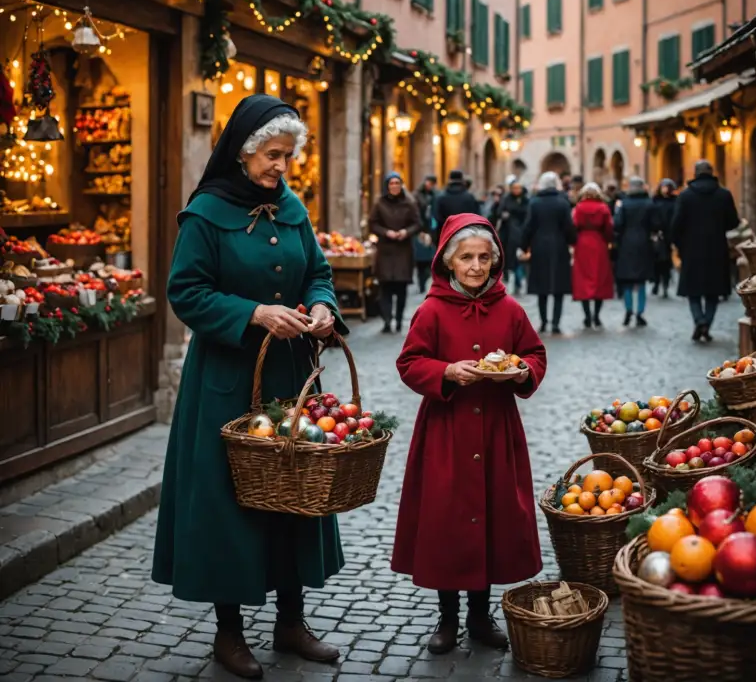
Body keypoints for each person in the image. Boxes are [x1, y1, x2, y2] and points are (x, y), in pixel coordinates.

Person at [152, 95, 345, 678]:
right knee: (229, 505)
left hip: (290, 379)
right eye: (272, 155)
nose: (280, 166)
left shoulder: (292, 207)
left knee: (293, 495)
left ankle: (291, 623)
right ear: (243, 152)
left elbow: (318, 270)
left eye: (288, 156)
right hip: (226, 383)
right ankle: (229, 633)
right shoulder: (206, 214)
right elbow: (185, 291)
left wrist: (322, 304)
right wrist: (254, 313)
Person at [392, 213, 547, 655]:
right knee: (447, 521)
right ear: (448, 262)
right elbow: (409, 362)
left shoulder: (511, 309)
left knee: (491, 516)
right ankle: (447, 617)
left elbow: (534, 354)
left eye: (483, 258)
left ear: (495, 261)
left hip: (497, 432)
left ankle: (481, 615)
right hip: (447, 433)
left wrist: (520, 372)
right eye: (466, 258)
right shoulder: (432, 310)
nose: (476, 266)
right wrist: (445, 371)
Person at [671, 159, 739, 342]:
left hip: (691, 249)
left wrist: (679, 245)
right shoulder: (724, 195)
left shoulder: (685, 196)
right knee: (713, 292)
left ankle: (699, 321)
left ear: (695, 173)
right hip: (716, 248)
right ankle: (706, 323)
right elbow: (734, 222)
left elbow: (676, 225)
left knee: (693, 291)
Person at [522, 171, 576, 334]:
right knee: (558, 287)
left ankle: (544, 321)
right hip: (559, 245)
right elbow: (568, 226)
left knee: (541, 287)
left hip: (539, 246)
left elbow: (529, 226)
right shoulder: (563, 203)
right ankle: (556, 323)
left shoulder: (535, 202)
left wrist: (524, 245)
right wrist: (572, 241)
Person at [369, 172, 422, 333]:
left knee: (401, 289)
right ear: (387, 186)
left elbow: (417, 223)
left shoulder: (409, 203)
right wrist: (386, 232)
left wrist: (406, 232)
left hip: (403, 251)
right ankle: (386, 320)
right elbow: (373, 224)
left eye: (397, 183)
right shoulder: (379, 204)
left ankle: (399, 319)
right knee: (385, 288)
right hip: (385, 251)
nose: (394, 186)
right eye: (391, 184)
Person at [614, 176, 656, 327]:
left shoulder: (624, 203)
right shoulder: (649, 203)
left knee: (627, 281)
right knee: (641, 281)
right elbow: (656, 223)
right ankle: (640, 312)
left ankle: (628, 309)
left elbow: (617, 224)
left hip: (626, 244)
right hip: (644, 243)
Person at [572, 182, 614, 328]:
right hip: (599, 243)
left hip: (582, 244)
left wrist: (573, 243)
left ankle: (587, 316)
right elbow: (609, 228)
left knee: (583, 279)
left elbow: (573, 226)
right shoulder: (603, 208)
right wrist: (608, 241)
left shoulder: (578, 208)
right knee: (599, 279)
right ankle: (596, 315)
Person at [497, 179, 529, 294]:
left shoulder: (526, 200)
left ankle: (519, 281)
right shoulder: (507, 199)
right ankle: (517, 282)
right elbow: (499, 212)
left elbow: (529, 214)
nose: (516, 190)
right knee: (512, 259)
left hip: (523, 232)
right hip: (509, 234)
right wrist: (504, 215)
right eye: (514, 188)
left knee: (520, 259)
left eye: (518, 188)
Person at [434, 169, 481, 242]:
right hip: (466, 236)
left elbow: (436, 218)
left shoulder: (441, 197)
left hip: (446, 236)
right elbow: (477, 217)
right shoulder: (470, 197)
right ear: (462, 179)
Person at [651, 179, 677, 297]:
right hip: (656, 235)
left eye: (667, 187)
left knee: (666, 262)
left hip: (668, 235)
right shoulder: (654, 201)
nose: (665, 189)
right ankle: (656, 282)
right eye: (664, 187)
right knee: (656, 261)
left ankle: (665, 285)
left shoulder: (675, 201)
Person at [413, 175, 438, 294]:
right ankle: (421, 283)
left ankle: (426, 279)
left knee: (429, 258)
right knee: (420, 259)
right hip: (420, 230)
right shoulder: (417, 195)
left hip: (431, 230)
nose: (430, 185)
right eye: (429, 182)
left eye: (432, 183)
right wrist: (420, 230)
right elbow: (415, 213)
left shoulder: (435, 195)